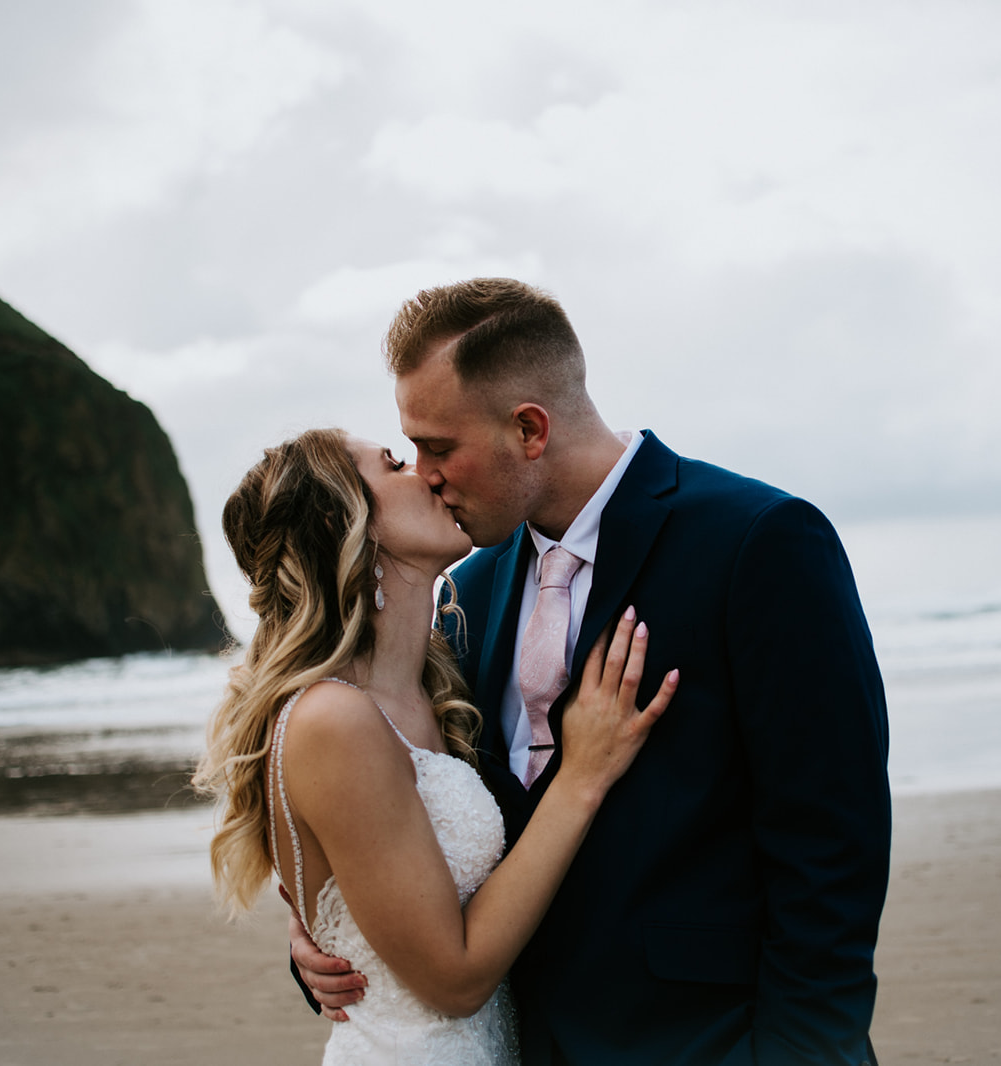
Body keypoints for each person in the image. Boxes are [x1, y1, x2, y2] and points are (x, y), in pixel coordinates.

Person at [292, 279, 891, 1064]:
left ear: (529, 429)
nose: (428, 475)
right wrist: (334, 948)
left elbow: (831, 848)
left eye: (440, 447)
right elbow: (418, 832)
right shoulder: (467, 591)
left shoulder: (757, 543)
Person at [195, 427, 678, 1064]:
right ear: (348, 525)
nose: (426, 474)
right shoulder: (331, 719)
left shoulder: (441, 677)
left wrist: (332, 919)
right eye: (395, 464)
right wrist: (582, 777)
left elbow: (397, 876)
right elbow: (453, 980)